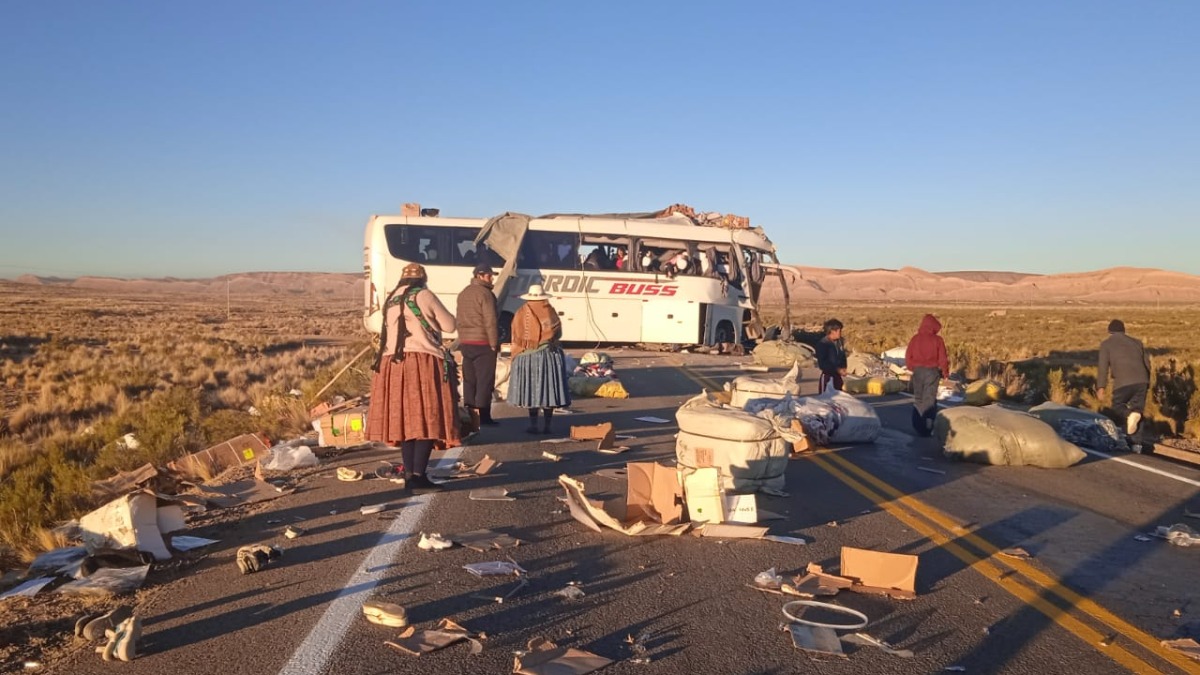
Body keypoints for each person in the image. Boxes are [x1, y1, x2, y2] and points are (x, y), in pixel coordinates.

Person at [366, 263, 460, 493]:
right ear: (422, 279)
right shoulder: (423, 295)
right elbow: (450, 325)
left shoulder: (392, 298)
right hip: (422, 361)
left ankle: (410, 475)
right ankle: (419, 476)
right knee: (428, 416)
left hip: (392, 365)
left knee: (406, 422)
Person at [507, 283, 571, 434]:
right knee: (548, 389)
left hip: (527, 356)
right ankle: (547, 425)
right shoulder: (549, 311)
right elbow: (558, 333)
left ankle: (533, 424)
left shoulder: (520, 312)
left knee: (532, 390)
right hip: (548, 356)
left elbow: (516, 335)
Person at [456, 263, 501, 429]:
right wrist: (494, 344)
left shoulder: (463, 293)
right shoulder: (486, 294)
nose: (491, 278)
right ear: (480, 276)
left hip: (466, 342)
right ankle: (484, 415)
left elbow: (459, 319)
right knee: (484, 381)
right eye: (489, 275)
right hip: (483, 342)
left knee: (469, 380)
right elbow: (490, 321)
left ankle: (470, 414)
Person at [1097, 319, 1151, 438]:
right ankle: (1136, 445)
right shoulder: (1137, 342)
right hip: (1142, 380)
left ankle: (1128, 416)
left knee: (1117, 407)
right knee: (1138, 412)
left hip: (1123, 382)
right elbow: (1147, 363)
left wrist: (1101, 387)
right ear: (1123, 330)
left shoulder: (1106, 344)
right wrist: (1147, 382)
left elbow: (1103, 367)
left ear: (1109, 331)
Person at [905, 314, 950, 437]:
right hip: (932, 372)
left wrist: (911, 367)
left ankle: (918, 425)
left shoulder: (915, 339)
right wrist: (945, 372)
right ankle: (927, 426)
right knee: (929, 399)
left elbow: (908, 356)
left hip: (918, 371)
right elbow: (943, 359)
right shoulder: (938, 340)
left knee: (919, 398)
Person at [816, 319, 847, 393]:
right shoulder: (823, 344)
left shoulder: (839, 342)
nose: (840, 333)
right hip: (828, 377)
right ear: (832, 331)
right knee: (825, 401)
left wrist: (843, 367)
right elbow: (822, 364)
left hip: (837, 377)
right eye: (839, 331)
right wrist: (837, 369)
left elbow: (842, 355)